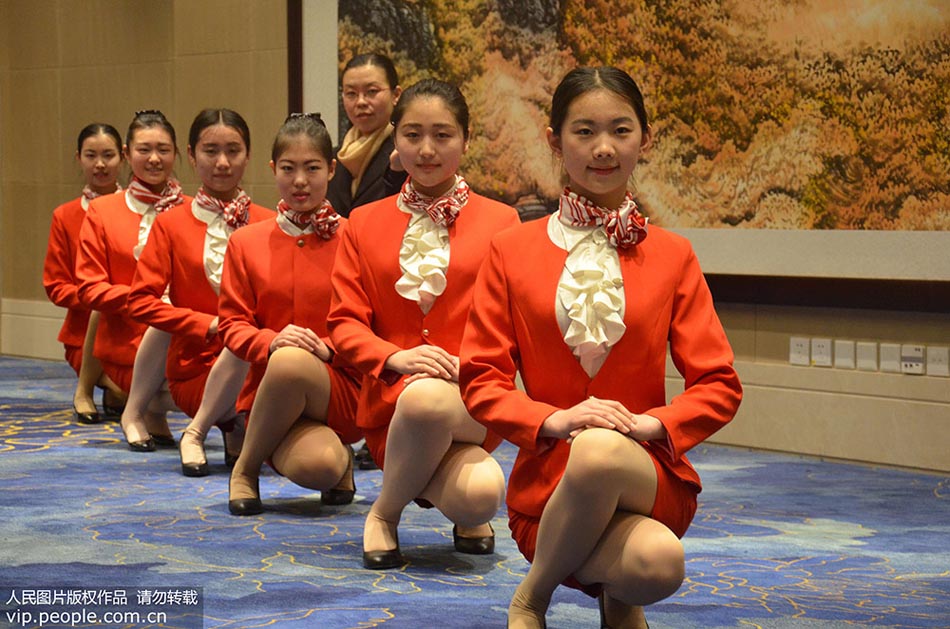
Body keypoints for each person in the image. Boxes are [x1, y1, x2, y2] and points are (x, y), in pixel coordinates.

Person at [458, 66, 743, 629]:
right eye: (584, 131)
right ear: (555, 140)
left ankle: (561, 596)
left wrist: (651, 425)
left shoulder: (674, 255)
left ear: (645, 138)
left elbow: (719, 384)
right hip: (549, 486)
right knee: (615, 495)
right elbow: (481, 380)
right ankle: (548, 595)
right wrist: (557, 420)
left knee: (660, 561)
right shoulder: (509, 251)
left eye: (621, 130)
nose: (604, 147)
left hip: (646, 477)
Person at [327, 78, 521, 569]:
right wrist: (395, 357)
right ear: (395, 139)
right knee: (430, 414)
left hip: (472, 399)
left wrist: (468, 365)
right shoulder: (363, 222)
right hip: (391, 404)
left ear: (466, 140)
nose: (427, 149)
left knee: (482, 497)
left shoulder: (503, 222)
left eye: (443, 135)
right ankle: (389, 511)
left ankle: (390, 503)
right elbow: (344, 324)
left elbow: (513, 328)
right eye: (413, 135)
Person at [222, 113, 362, 515]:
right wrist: (272, 341)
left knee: (293, 361)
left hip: (341, 385)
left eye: (312, 168)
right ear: (273, 170)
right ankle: (250, 468)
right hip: (271, 388)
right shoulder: (245, 242)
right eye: (288, 168)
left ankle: (246, 466)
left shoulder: (355, 237)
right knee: (319, 466)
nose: (300, 180)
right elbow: (232, 326)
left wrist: (329, 348)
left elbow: (372, 322)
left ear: (331, 169)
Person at [126, 109, 273, 469]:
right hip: (196, 367)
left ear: (248, 155)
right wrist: (204, 324)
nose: (222, 162)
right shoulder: (171, 224)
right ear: (191, 155)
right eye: (210, 151)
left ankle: (231, 425)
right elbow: (140, 302)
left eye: (233, 151)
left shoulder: (270, 222)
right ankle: (205, 427)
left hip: (261, 368)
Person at [76, 110, 189, 450]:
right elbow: (89, 287)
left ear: (177, 153)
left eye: (163, 150)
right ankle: (143, 409)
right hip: (127, 344)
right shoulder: (103, 211)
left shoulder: (193, 210)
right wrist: (146, 302)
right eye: (144, 149)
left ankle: (154, 413)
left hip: (187, 342)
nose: (154, 159)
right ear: (127, 154)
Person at [328, 52, 408, 470]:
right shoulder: (340, 154)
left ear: (395, 95)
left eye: (372, 91)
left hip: (393, 271)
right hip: (346, 271)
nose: (360, 102)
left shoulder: (408, 149)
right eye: (351, 93)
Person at [43, 123, 127, 424]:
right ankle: (87, 390)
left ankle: (116, 392)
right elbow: (55, 285)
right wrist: (100, 295)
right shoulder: (65, 216)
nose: (100, 164)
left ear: (124, 158)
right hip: (84, 335)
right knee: (129, 390)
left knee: (136, 391)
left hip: (131, 330)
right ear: (79, 158)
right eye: (91, 156)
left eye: (108, 155)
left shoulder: (139, 211)